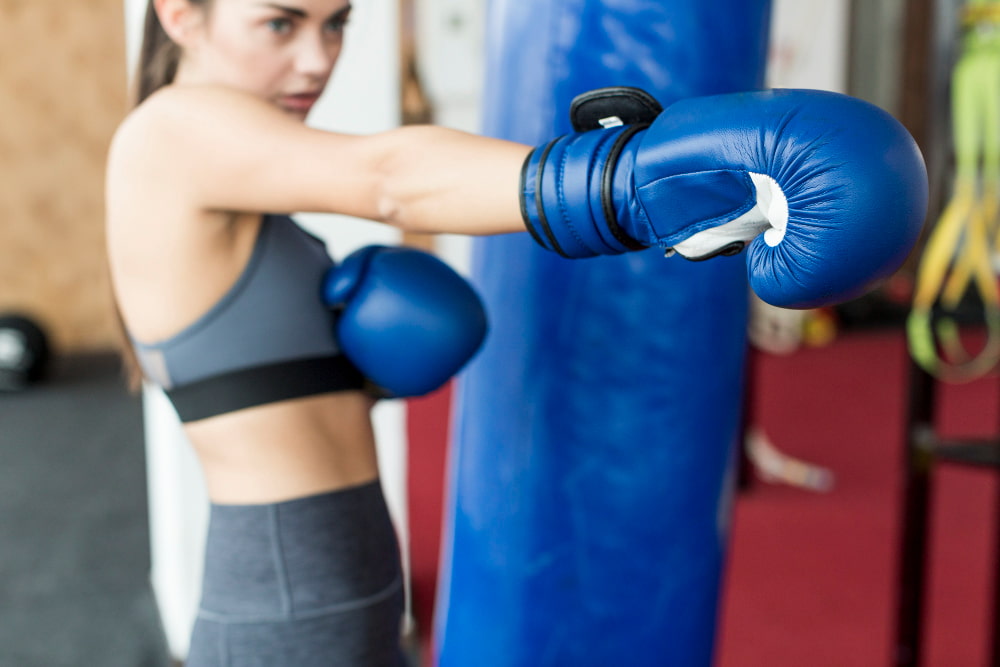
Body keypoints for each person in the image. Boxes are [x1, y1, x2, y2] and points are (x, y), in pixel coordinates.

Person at [106, 0, 927, 664]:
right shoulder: (170, 132)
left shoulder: (229, 166)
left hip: (341, 581)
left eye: (337, 22)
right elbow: (388, 179)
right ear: (182, 14)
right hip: (284, 597)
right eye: (281, 24)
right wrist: (625, 180)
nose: (319, 57)